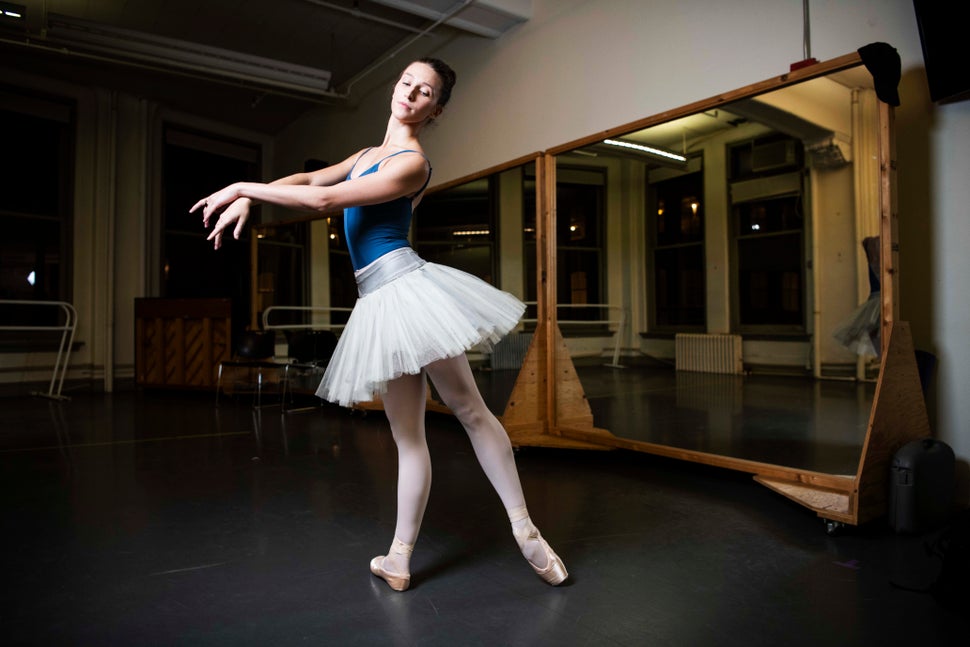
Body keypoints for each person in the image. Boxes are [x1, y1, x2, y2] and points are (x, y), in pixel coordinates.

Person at [191, 58, 568, 591]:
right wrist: (254, 194)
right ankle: (398, 558)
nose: (411, 94)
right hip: (378, 302)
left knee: (470, 411)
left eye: (425, 93)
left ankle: (527, 531)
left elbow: (322, 199)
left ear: (435, 109)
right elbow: (307, 178)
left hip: (407, 288)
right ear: (397, 88)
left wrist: (238, 186)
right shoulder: (368, 155)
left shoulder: (412, 162)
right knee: (407, 437)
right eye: (407, 83)